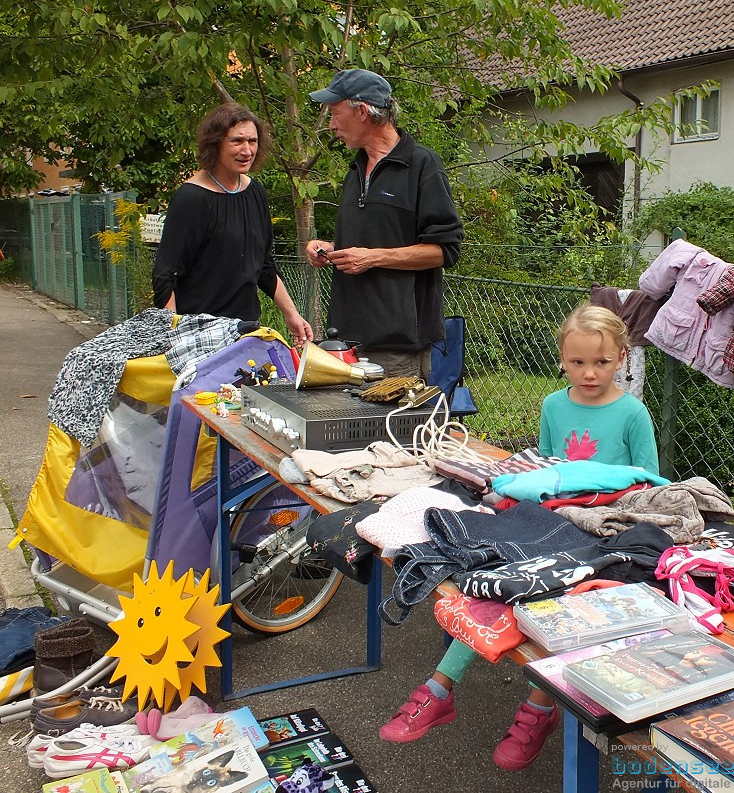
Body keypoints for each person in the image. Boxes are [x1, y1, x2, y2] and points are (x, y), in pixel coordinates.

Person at [379, 304, 659, 771]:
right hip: (547, 522)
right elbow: (541, 471)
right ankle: (438, 689)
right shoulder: (553, 404)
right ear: (562, 360)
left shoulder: (633, 412)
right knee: (493, 587)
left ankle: (539, 708)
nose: (589, 373)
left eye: (602, 362)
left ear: (623, 358)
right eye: (577, 362)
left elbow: (648, 482)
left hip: (599, 532)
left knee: (560, 608)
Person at [306, 69, 463, 378]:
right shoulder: (356, 169)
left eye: (335, 113)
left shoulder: (422, 165)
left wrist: (372, 258)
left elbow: (445, 250)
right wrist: (333, 250)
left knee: (395, 429)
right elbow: (375, 241)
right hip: (346, 341)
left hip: (397, 349)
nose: (331, 124)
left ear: (362, 111)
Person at [152, 102, 312, 345]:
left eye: (252, 141)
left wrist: (292, 315)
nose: (247, 150)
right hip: (199, 336)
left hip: (245, 333)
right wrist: (174, 337)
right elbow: (165, 275)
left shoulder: (255, 192)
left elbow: (265, 267)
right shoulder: (191, 198)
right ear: (215, 144)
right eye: (237, 141)